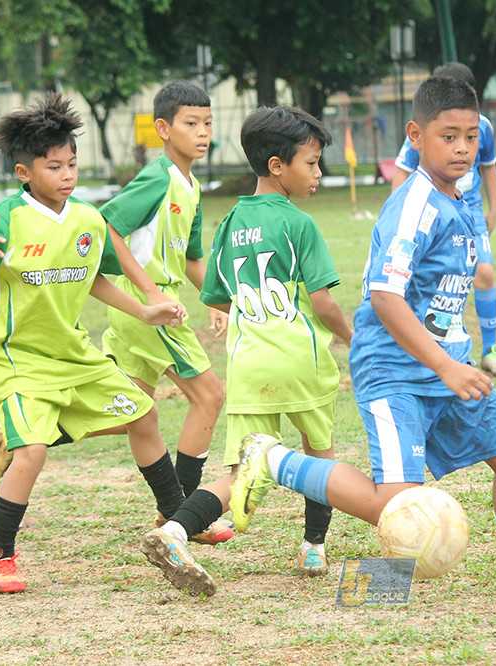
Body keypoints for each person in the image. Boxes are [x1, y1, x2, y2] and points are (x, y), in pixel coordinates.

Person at [144, 77, 496, 595]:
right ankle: (279, 470)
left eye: (471, 137)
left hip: (449, 365)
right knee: (395, 507)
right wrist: (445, 366)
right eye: (449, 136)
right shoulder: (413, 204)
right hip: (395, 370)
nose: (462, 148)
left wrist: (453, 360)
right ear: (416, 137)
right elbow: (384, 296)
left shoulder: (459, 199)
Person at [0, 94, 190, 594]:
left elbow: (93, 277)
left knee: (143, 414)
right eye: (54, 166)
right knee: (32, 453)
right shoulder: (6, 220)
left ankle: (178, 516)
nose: (67, 174)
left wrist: (144, 309)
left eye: (72, 164)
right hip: (18, 361)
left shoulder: (86, 218)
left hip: (75, 354)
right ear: (24, 172)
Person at [140, 105, 353, 594]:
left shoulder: (232, 221)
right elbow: (323, 302)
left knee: (242, 475)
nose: (318, 173)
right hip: (301, 362)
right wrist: (353, 336)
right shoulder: (299, 223)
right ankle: (314, 546)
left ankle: (174, 531)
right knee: (319, 456)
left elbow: (216, 295)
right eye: (311, 163)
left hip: (250, 366)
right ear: (277, 166)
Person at [100, 80, 231, 545]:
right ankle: (182, 515)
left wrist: (216, 300)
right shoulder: (158, 177)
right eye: (190, 123)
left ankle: (18, 438)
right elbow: (107, 226)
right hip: (149, 312)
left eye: (208, 123)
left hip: (148, 309)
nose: (202, 132)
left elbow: (193, 258)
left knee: (131, 414)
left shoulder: (191, 186)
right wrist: (150, 291)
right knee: (210, 397)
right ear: (163, 129)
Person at [391, 62, 496, 376]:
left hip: (469, 209)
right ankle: (432, 349)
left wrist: (494, 209)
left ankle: (490, 350)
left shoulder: (483, 127)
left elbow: (488, 165)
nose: (462, 146)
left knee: (484, 273)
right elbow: (402, 171)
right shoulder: (426, 129)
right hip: (433, 212)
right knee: (433, 281)